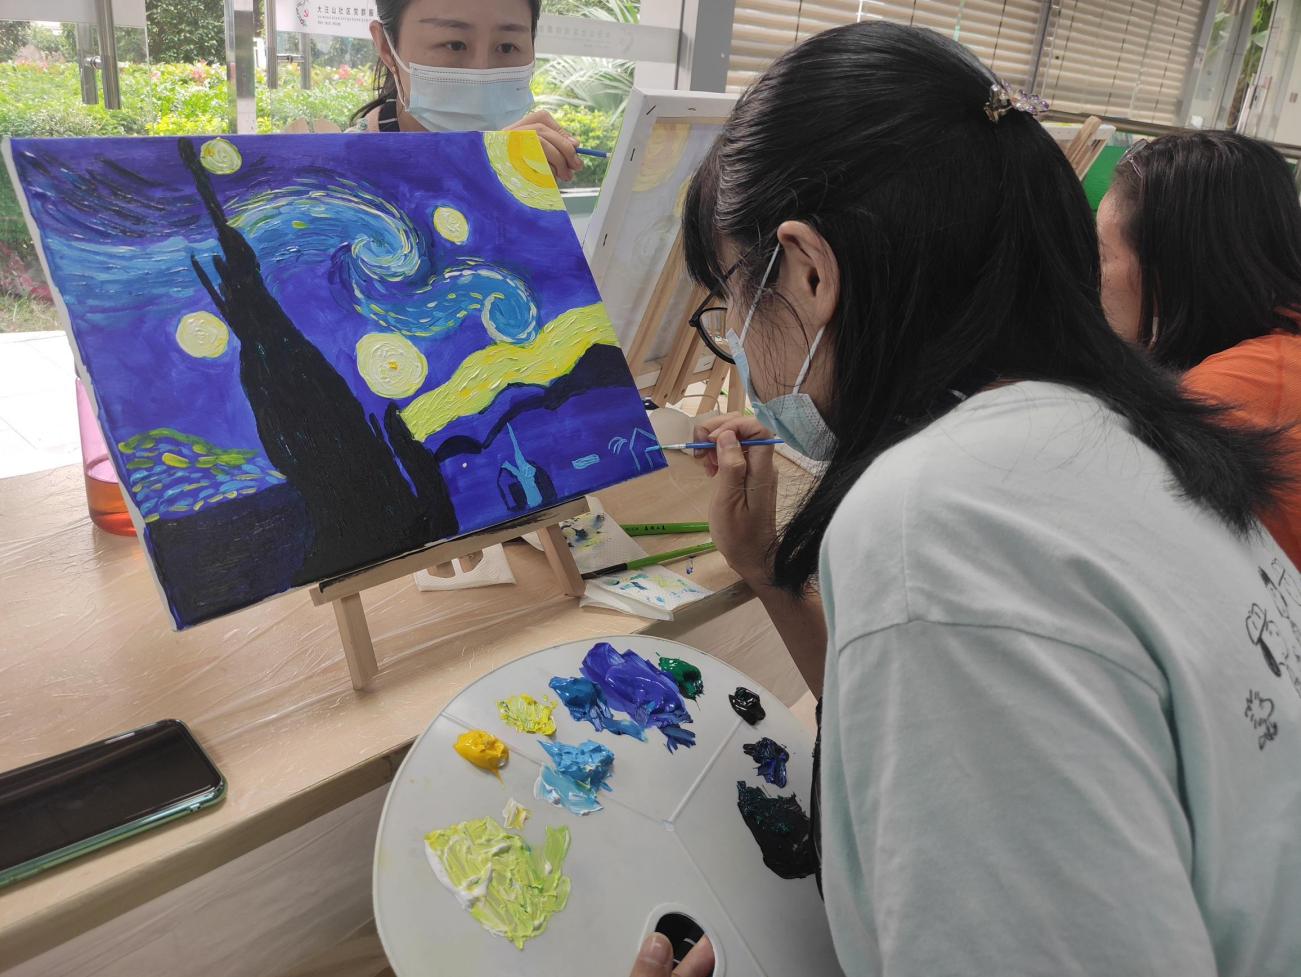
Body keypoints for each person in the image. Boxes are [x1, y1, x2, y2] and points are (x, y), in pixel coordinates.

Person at [622, 20, 1299, 977]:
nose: (735, 340)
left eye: (728, 298)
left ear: (807, 269)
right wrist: (772, 572)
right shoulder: (1114, 428)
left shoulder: (938, 520)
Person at [1098, 131, 1301, 568]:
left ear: (1167, 272)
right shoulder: (1279, 346)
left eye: (1103, 256)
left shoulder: (1223, 399)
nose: (1094, 279)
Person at [353, 0, 584, 182]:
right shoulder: (346, 178)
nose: (481, 74)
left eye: (506, 47)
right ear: (386, 47)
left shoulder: (525, 159)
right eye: (454, 45)